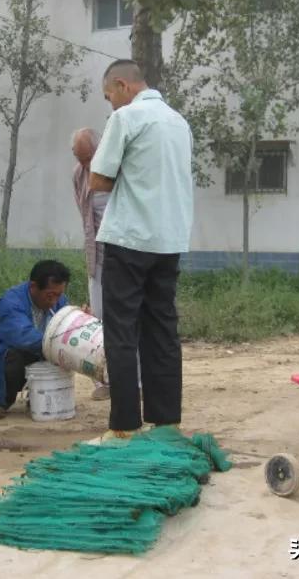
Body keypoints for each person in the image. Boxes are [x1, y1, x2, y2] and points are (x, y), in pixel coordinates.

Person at [89, 59, 194, 439]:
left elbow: (99, 179)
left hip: (129, 238)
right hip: (169, 241)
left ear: (121, 85)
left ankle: (125, 427)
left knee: (122, 333)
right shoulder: (179, 122)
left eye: (109, 96)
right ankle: (166, 422)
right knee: (162, 329)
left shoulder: (127, 118)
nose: (110, 105)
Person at [0, 260, 71, 419]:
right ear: (33, 286)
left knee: (62, 349)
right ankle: (0, 401)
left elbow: (67, 325)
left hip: (34, 353)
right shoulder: (10, 304)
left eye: (59, 295)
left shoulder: (58, 299)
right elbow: (25, 338)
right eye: (50, 295)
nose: (54, 301)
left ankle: (37, 396)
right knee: (19, 354)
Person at [71, 127, 110, 401]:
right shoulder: (78, 175)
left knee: (128, 318)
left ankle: (136, 381)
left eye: (89, 158)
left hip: (125, 253)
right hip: (96, 254)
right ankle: (103, 380)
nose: (85, 165)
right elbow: (85, 218)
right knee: (98, 318)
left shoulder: (115, 170)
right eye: (80, 158)